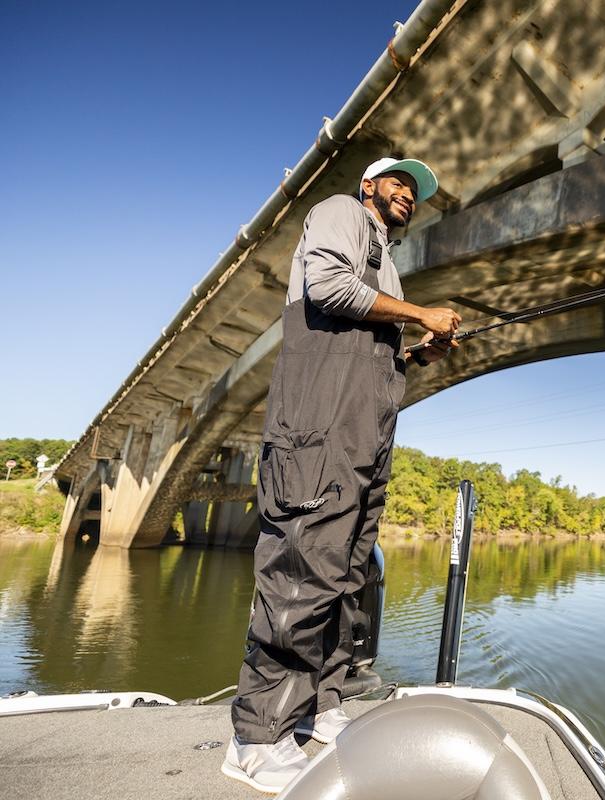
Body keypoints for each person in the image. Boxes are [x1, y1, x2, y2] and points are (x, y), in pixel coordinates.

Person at [223, 157, 462, 793]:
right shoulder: (341, 212)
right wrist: (420, 315)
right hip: (317, 433)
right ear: (369, 186)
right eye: (398, 183)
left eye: (415, 191)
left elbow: (367, 352)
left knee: (347, 575)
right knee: (301, 571)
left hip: (364, 439)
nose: (407, 195)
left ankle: (321, 704)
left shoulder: (388, 266)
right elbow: (329, 289)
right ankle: (256, 737)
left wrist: (417, 351)